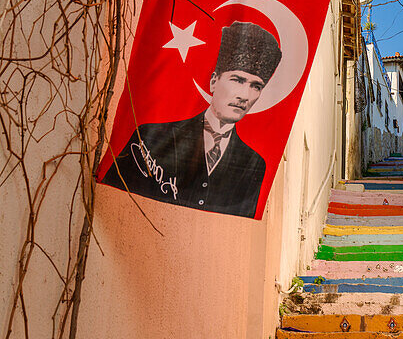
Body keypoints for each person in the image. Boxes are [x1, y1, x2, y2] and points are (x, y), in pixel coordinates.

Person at [103, 21, 281, 218]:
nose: (244, 95)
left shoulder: (253, 163)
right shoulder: (150, 136)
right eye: (237, 80)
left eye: (256, 86)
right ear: (214, 81)